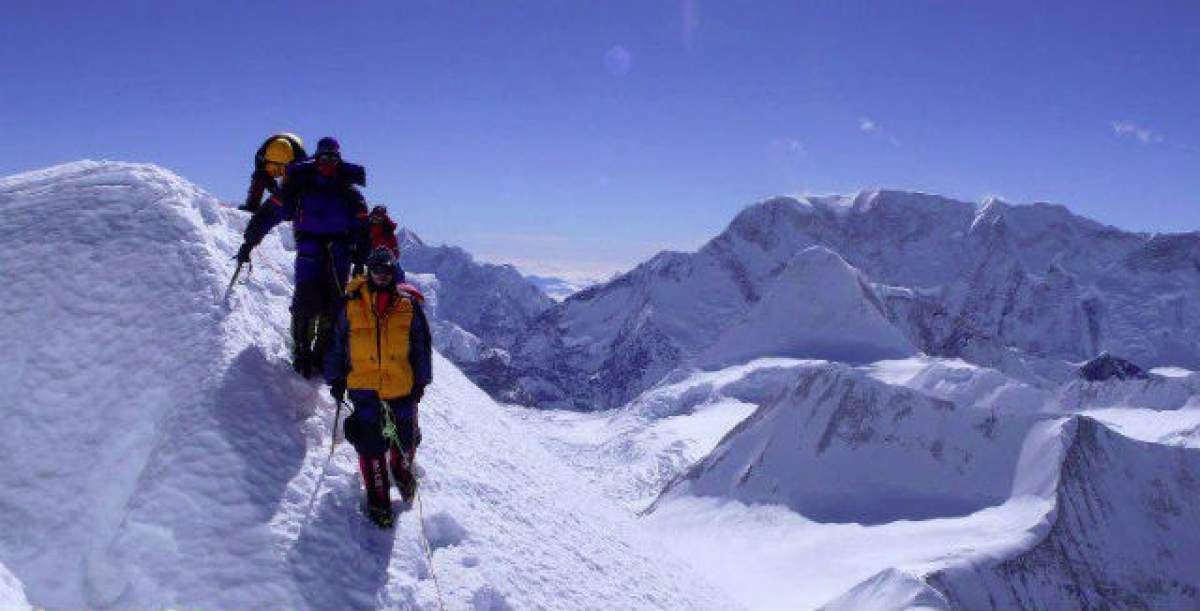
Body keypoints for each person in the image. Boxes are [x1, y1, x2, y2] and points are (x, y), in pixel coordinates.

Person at [236, 136, 371, 377]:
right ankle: (301, 352)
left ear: (339, 160)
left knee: (334, 305)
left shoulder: (350, 195)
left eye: (332, 157)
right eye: (324, 157)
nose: (328, 162)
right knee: (304, 304)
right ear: (316, 158)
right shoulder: (299, 189)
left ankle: (321, 353)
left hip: (339, 255)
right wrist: (250, 241)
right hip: (310, 253)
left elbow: (363, 229)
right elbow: (270, 214)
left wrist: (361, 259)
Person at [326, 248, 433, 528]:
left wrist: (421, 380)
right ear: (369, 271)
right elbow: (336, 344)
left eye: (386, 271)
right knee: (370, 442)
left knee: (406, 437)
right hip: (365, 388)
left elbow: (421, 347)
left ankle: (401, 469)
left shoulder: (408, 306)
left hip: (402, 386)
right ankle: (378, 498)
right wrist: (335, 378)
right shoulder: (350, 304)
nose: (381, 276)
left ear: (394, 272)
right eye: (377, 271)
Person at [239, 133, 307, 213]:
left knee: (293, 185)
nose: (277, 171)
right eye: (274, 166)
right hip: (287, 159)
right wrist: (274, 188)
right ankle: (252, 206)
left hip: (289, 160)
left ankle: (252, 205)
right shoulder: (261, 155)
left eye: (280, 167)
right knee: (262, 176)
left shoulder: (299, 156)